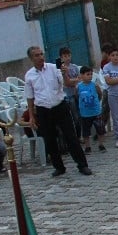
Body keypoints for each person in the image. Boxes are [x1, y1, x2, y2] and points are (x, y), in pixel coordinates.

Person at [24, 45, 94, 177]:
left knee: (71, 136)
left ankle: (82, 165)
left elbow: (66, 83)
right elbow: (30, 97)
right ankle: (59, 167)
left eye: (41, 54)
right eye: (36, 55)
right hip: (43, 109)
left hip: (59, 105)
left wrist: (64, 73)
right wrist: (32, 116)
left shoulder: (53, 68)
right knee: (50, 139)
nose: (40, 57)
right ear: (31, 58)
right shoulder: (29, 76)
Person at [76, 67, 105, 153]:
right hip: (85, 113)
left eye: (91, 74)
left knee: (100, 129)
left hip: (96, 112)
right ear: (81, 75)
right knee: (86, 131)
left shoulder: (95, 85)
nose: (90, 76)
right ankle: (88, 146)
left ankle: (101, 144)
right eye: (87, 74)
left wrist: (96, 103)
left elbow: (100, 95)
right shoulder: (79, 87)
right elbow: (77, 97)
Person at [57, 46, 81, 128]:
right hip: (68, 95)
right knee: (74, 116)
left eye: (68, 55)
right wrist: (73, 81)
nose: (67, 58)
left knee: (80, 113)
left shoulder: (74, 67)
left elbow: (80, 79)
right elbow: (66, 83)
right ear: (61, 58)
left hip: (77, 93)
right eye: (65, 56)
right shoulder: (60, 69)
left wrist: (72, 81)